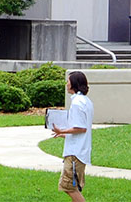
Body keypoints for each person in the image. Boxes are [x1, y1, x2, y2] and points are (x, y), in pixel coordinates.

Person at [51, 71, 94, 202]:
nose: (66, 84)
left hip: (75, 153)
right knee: (71, 186)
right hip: (80, 150)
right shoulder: (86, 101)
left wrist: (62, 130)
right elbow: (81, 129)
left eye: (68, 81)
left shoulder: (77, 103)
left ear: (74, 84)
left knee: (69, 187)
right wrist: (63, 134)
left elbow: (80, 128)